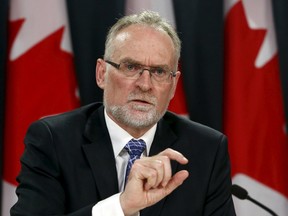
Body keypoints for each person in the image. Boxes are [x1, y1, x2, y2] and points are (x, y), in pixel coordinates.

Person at [11, 10, 235, 216]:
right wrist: (121, 206)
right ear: (101, 74)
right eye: (131, 67)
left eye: (158, 71)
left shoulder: (207, 149)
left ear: (174, 84)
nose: (145, 84)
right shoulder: (53, 141)